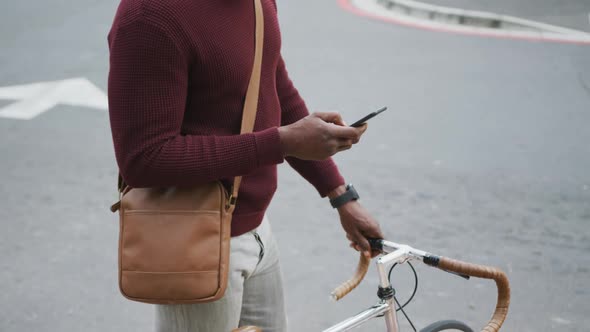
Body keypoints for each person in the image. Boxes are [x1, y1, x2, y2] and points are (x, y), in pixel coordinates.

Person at [106, 0, 384, 331]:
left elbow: (273, 83)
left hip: (258, 233)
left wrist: (339, 194)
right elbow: (144, 159)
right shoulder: (149, 16)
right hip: (193, 240)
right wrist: (283, 142)